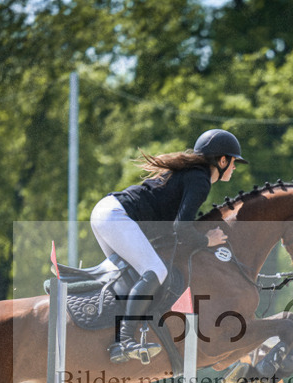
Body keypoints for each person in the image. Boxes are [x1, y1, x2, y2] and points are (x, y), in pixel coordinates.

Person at [90, 129, 246, 363]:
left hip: (106, 212)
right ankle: (123, 341)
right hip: (116, 216)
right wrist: (207, 240)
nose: (234, 167)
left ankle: (107, 335)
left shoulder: (192, 174)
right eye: (234, 162)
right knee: (156, 271)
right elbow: (180, 228)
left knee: (129, 276)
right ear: (222, 160)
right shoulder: (200, 179)